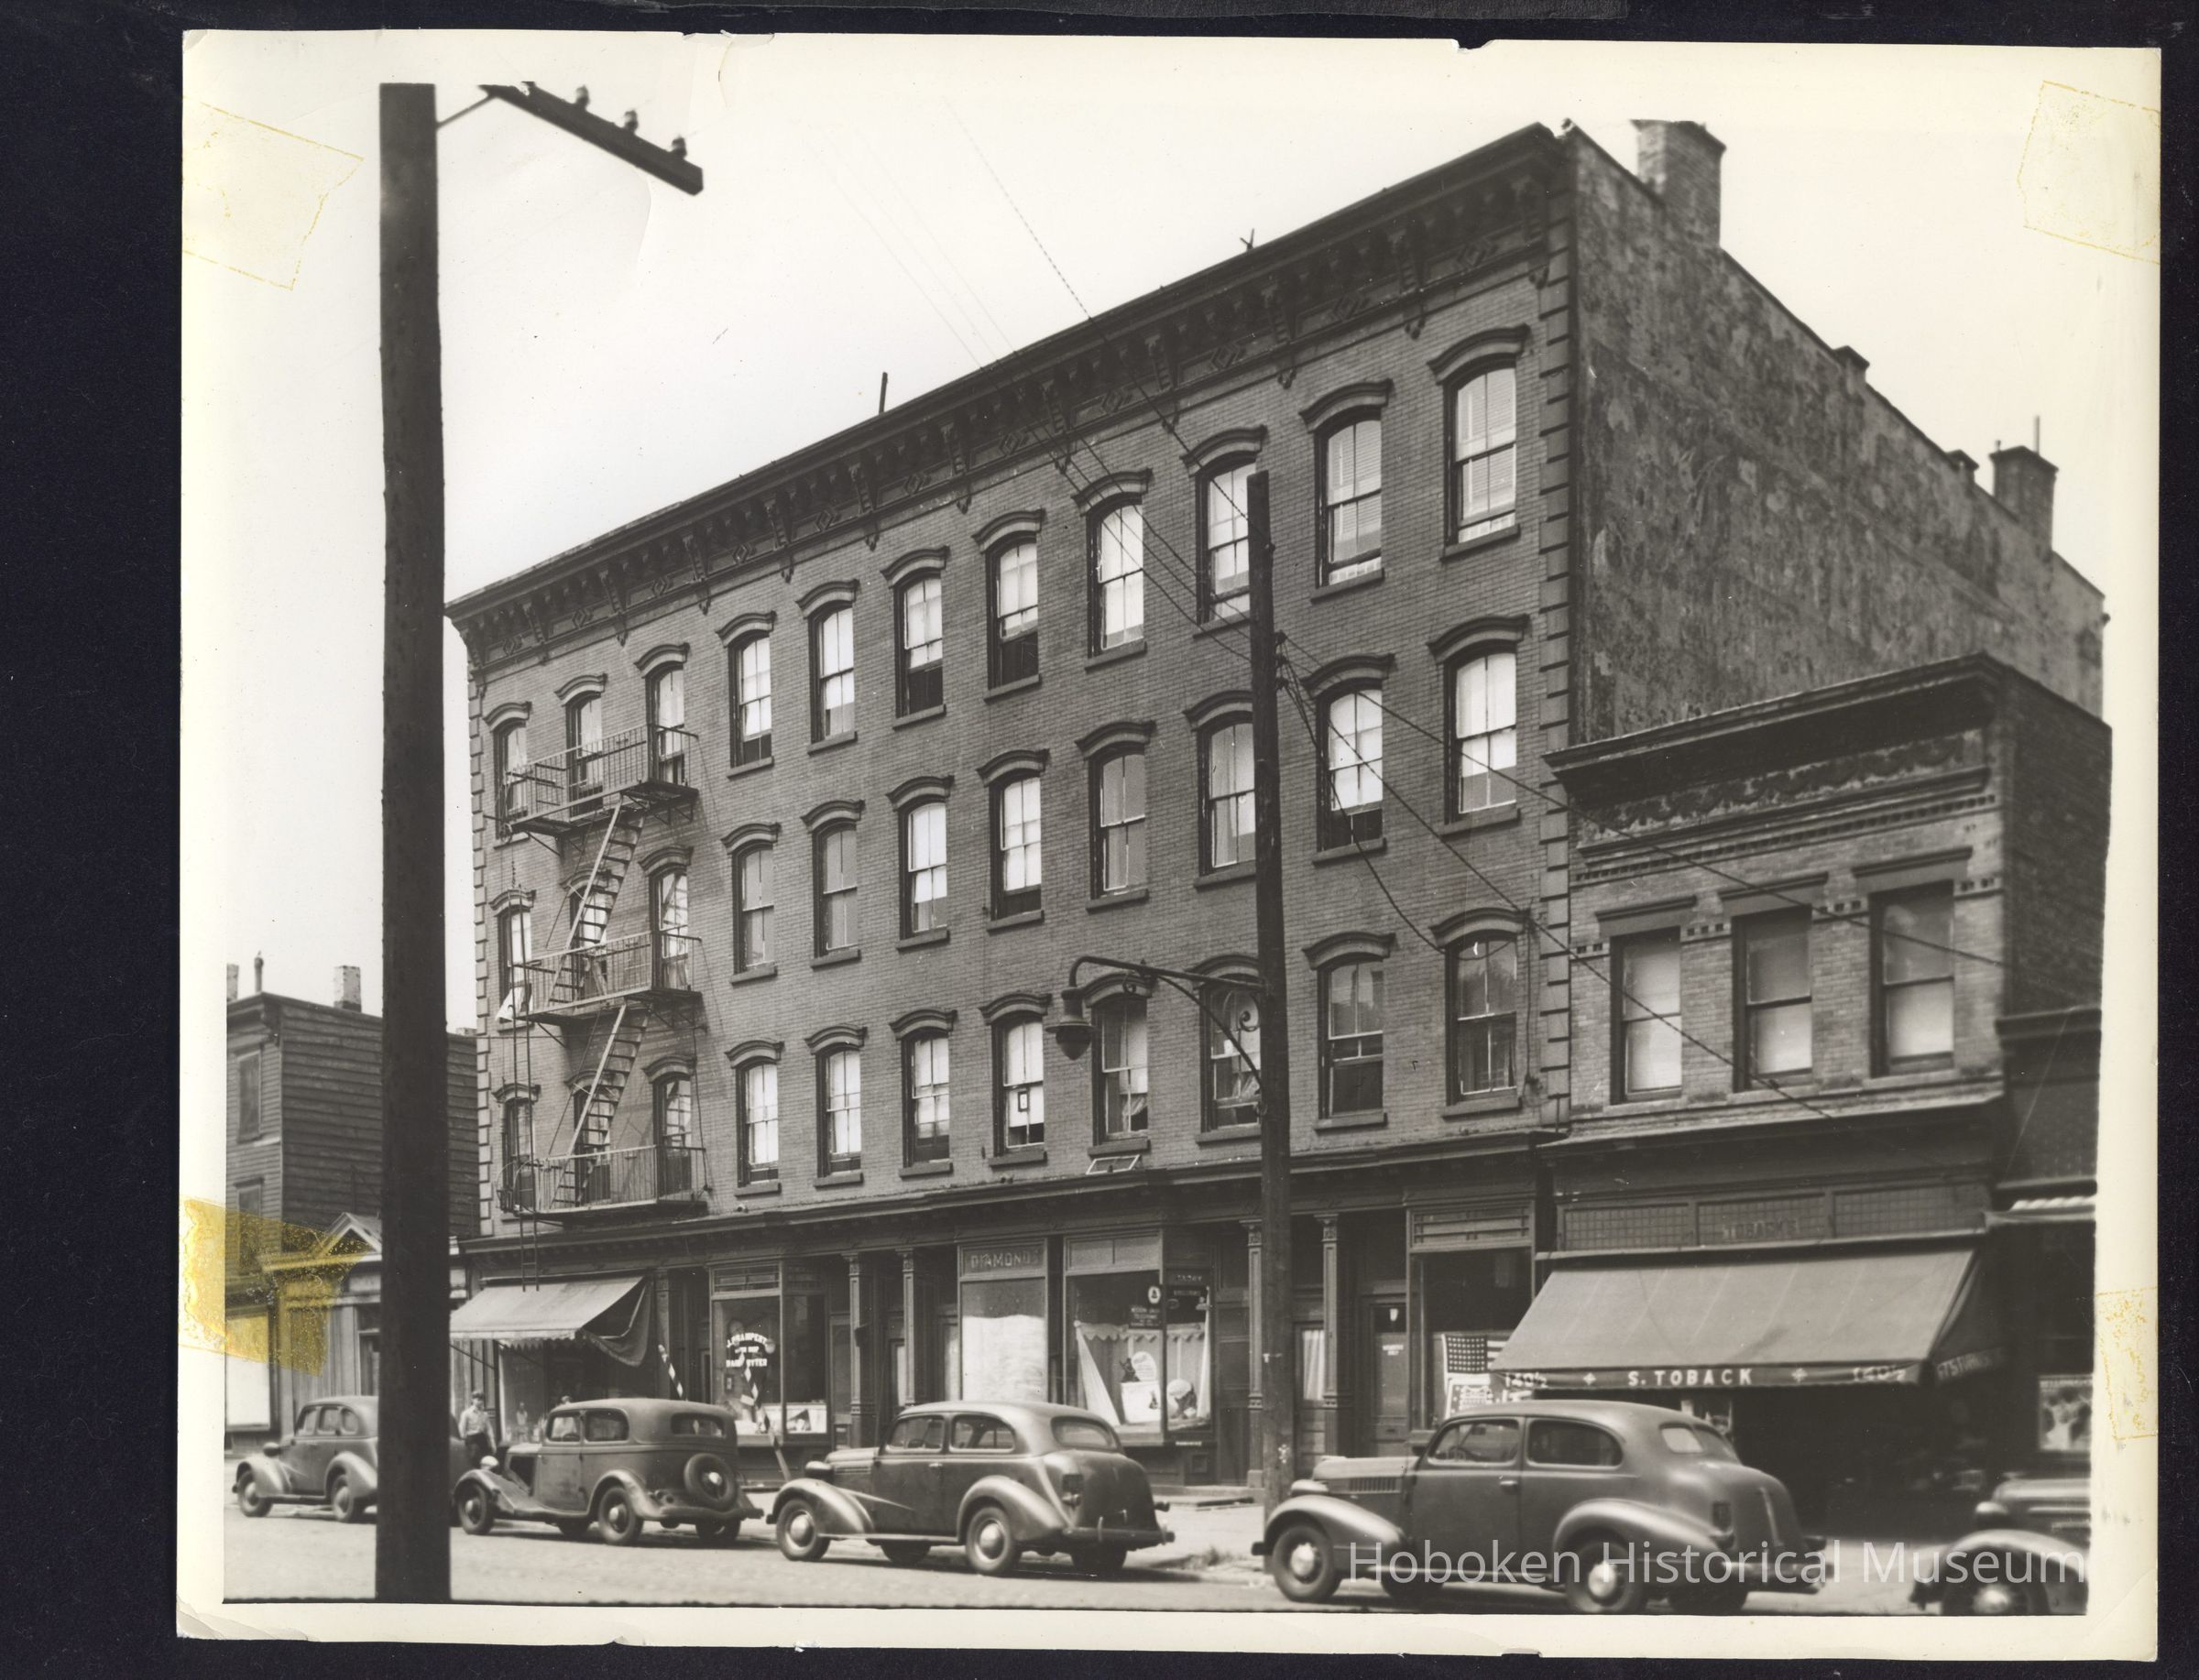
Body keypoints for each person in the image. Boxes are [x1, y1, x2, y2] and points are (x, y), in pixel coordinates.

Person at [459, 1391, 494, 1464]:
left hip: (482, 1438)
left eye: (481, 1400)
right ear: (472, 1400)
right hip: (472, 1440)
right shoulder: (466, 1413)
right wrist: (463, 1440)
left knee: (485, 1460)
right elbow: (462, 1429)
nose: (480, 1402)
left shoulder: (484, 1414)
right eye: (478, 1399)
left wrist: (492, 1441)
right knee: (474, 1458)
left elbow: (489, 1428)